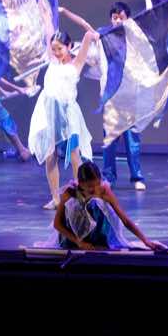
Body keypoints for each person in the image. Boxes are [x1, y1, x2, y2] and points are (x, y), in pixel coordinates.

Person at [58, 0, 160, 191]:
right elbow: (86, 36)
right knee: (110, 142)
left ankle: (137, 177)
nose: (117, 21)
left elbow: (148, 19)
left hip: (130, 97)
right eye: (114, 17)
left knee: (132, 141)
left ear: (127, 19)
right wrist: (66, 16)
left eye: (121, 17)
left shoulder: (133, 38)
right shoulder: (103, 41)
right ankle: (109, 177)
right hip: (111, 98)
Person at [29, 28, 98, 209]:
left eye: (60, 48)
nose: (56, 52)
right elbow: (48, 26)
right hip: (49, 114)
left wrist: (92, 36)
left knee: (74, 155)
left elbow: (88, 35)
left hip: (68, 115)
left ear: (69, 46)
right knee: (50, 155)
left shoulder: (76, 64)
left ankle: (80, 195)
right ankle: (56, 198)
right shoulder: (52, 61)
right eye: (53, 49)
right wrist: (46, 13)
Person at [48, 161, 163, 251]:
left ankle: (97, 241)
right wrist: (78, 242)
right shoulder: (70, 193)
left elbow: (125, 220)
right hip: (73, 236)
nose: (95, 189)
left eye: (97, 184)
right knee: (77, 207)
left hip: (96, 235)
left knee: (97, 205)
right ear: (81, 183)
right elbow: (57, 224)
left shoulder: (103, 190)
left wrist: (145, 241)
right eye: (90, 186)